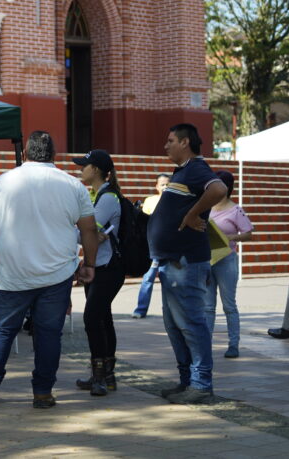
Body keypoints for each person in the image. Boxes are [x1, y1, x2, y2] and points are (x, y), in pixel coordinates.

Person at [0, 131, 98, 409]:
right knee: (48, 334)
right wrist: (89, 264)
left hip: (13, 272)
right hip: (57, 274)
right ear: (53, 155)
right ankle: (42, 392)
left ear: (25, 154)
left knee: (2, 330)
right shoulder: (73, 185)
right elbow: (89, 228)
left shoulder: (2, 182)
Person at [149, 123, 228, 405]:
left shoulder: (195, 167)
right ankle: (187, 381)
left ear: (185, 142)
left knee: (192, 324)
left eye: (171, 141)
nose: (166, 145)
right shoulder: (181, 172)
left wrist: (194, 213)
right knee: (175, 325)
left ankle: (201, 384)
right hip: (172, 262)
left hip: (186, 263)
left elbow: (218, 188)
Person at [72, 149, 126, 396]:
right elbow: (93, 235)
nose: (80, 169)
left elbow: (89, 234)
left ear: (95, 170)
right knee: (103, 318)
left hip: (107, 268)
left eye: (84, 165)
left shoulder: (107, 198)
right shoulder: (98, 195)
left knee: (92, 318)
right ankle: (106, 375)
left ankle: (100, 378)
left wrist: (71, 231)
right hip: (100, 265)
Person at [207, 170, 253, 359]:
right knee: (207, 307)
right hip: (207, 259)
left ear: (226, 188)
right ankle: (205, 344)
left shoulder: (236, 210)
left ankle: (233, 345)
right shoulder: (205, 207)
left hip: (226, 260)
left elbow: (249, 234)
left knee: (229, 305)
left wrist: (230, 237)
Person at [132, 174, 171, 318]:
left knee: (168, 280)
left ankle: (169, 310)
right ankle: (141, 309)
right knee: (147, 279)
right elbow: (144, 222)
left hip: (168, 248)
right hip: (153, 247)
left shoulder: (176, 201)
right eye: (162, 184)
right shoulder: (150, 201)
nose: (165, 187)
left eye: (168, 184)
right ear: (156, 186)